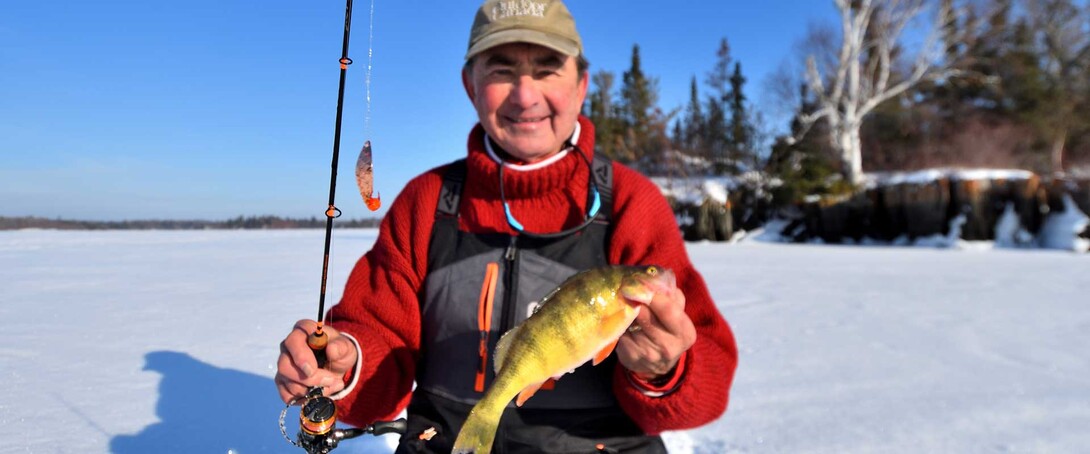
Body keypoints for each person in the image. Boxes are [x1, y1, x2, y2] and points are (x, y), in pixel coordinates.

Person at [276, 1, 738, 452]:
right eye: (501, 70)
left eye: (547, 68)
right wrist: (346, 362)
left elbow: (706, 388)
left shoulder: (633, 202)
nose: (525, 94)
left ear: (581, 84)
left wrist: (662, 369)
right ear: (469, 85)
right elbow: (379, 341)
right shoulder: (427, 200)